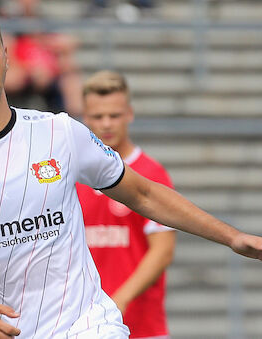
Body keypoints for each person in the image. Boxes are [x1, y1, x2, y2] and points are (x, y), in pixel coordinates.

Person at [0, 4, 262, 339]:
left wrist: (232, 236)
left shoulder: (59, 132)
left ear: (6, 56)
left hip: (88, 325)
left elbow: (144, 193)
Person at [76, 70, 175, 338]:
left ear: (129, 114)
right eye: (98, 116)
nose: (106, 123)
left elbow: (162, 251)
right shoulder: (72, 175)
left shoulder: (151, 174)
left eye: (114, 115)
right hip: (83, 328)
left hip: (142, 327)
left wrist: (118, 301)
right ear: (85, 118)